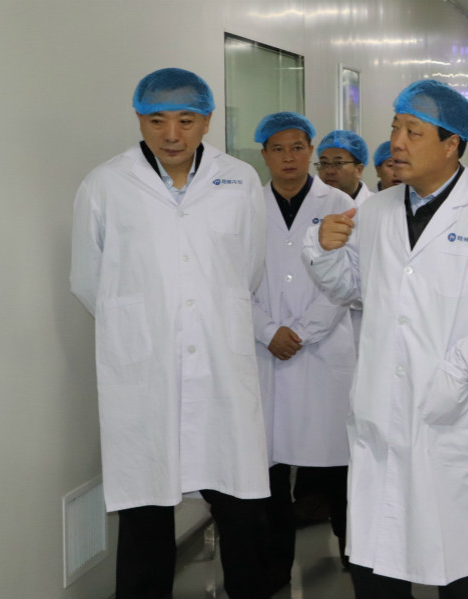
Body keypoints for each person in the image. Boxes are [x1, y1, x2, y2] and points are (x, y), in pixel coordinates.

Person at [303, 79, 468, 598]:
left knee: (459, 569)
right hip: (383, 415)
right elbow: (354, 290)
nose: (396, 142)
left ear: (450, 144)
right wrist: (324, 252)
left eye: (413, 132)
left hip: (457, 417)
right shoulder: (375, 212)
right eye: (395, 128)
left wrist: (458, 368)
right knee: (378, 569)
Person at [70, 67, 271, 599]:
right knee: (145, 510)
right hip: (144, 371)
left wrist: (201, 314)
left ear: (207, 121)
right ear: (139, 120)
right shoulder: (105, 184)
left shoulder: (238, 181)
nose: (172, 134)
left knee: (238, 505)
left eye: (186, 120)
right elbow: (88, 281)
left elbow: (249, 269)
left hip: (220, 365)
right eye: (157, 120)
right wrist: (143, 323)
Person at [252, 112, 356, 586]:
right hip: (265, 351)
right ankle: (275, 566)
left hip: (324, 349)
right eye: (277, 149)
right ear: (264, 155)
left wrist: (302, 331)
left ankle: (355, 551)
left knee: (338, 464)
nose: (288, 157)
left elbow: (348, 279)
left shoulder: (339, 203)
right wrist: (266, 330)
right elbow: (232, 280)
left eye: (297, 147)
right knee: (270, 470)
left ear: (310, 151)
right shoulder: (248, 207)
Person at [317, 129, 374, 204]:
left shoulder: (377, 206)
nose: (329, 171)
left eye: (339, 163)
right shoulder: (312, 203)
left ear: (359, 170)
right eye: (324, 163)